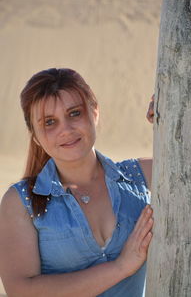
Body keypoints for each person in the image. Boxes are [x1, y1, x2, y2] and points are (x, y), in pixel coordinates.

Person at [0, 68, 154, 297]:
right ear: (36, 137)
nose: (66, 130)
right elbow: (21, 290)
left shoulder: (142, 176)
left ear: (94, 112)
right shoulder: (20, 202)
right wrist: (120, 267)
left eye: (74, 114)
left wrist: (176, 112)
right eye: (50, 122)